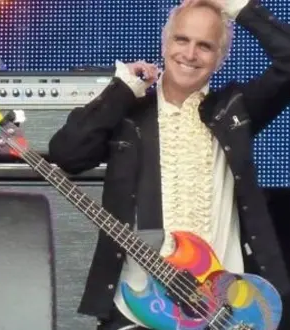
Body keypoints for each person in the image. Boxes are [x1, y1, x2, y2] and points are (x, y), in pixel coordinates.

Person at [49, 0, 290, 329]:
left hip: (227, 311)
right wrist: (122, 91)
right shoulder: (130, 115)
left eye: (204, 46)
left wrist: (238, 7)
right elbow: (67, 154)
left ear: (220, 58)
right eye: (181, 40)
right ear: (165, 44)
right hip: (138, 305)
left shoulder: (234, 111)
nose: (190, 54)